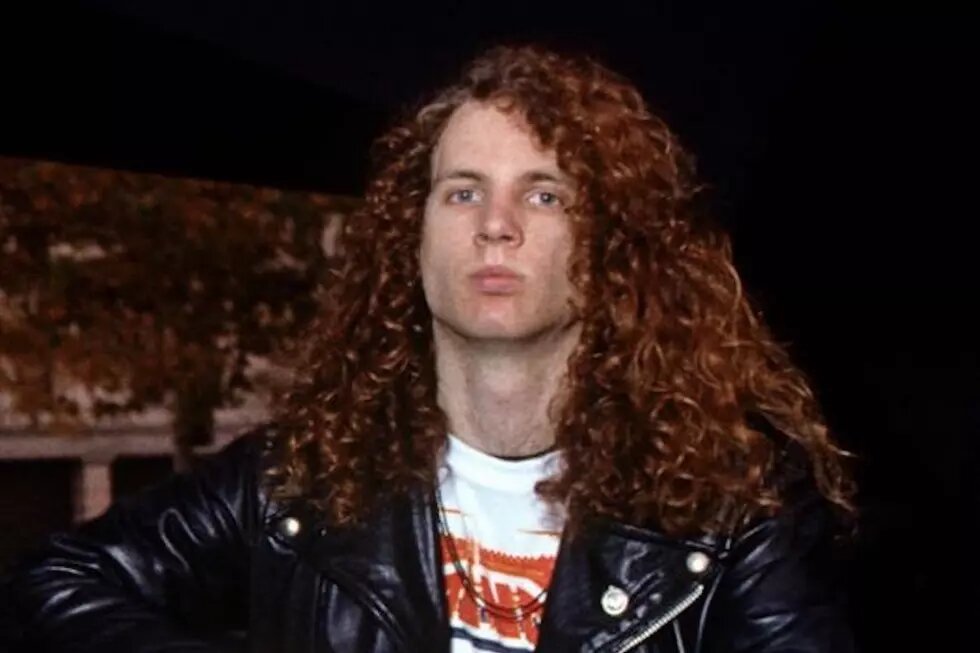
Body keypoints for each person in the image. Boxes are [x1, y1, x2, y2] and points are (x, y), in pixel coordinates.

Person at [0, 44, 856, 652]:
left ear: (612, 250)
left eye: (545, 195)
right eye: (462, 192)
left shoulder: (729, 506)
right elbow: (52, 584)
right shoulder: (305, 477)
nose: (495, 225)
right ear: (410, 242)